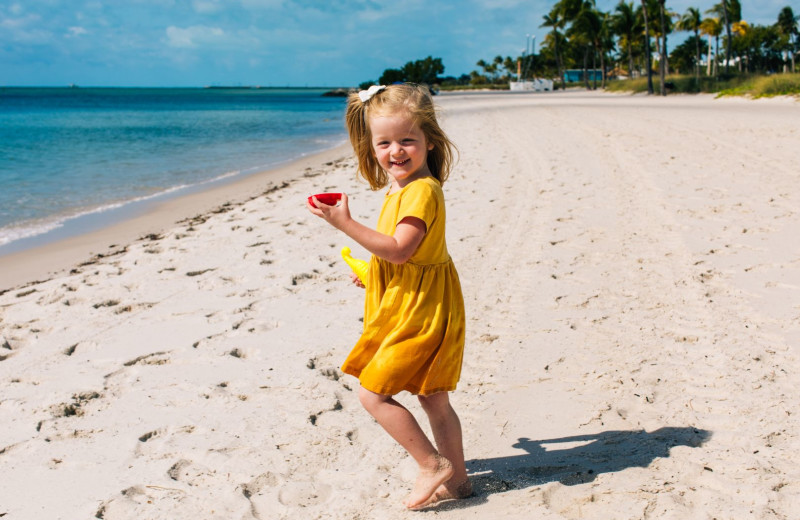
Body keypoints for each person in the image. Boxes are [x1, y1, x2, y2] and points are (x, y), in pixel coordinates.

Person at [307, 83, 471, 509]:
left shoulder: (421, 190)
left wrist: (344, 223)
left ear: (429, 142)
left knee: (373, 393)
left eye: (407, 141)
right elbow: (401, 254)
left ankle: (431, 465)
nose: (396, 151)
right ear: (371, 146)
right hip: (419, 298)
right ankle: (460, 483)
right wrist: (373, 274)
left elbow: (400, 249)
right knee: (433, 397)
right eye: (385, 143)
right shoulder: (403, 188)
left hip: (420, 309)